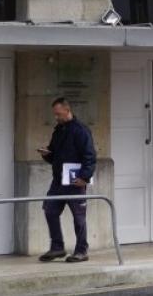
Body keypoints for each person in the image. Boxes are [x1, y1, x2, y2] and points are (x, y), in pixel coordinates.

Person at [37, 97, 97, 263]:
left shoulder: (81, 131)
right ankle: (57, 247)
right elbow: (55, 155)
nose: (56, 117)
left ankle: (81, 250)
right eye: (55, 114)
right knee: (50, 210)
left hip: (75, 181)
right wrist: (47, 154)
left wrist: (85, 177)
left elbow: (90, 156)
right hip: (58, 181)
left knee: (78, 218)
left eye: (58, 113)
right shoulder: (58, 130)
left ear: (67, 110)